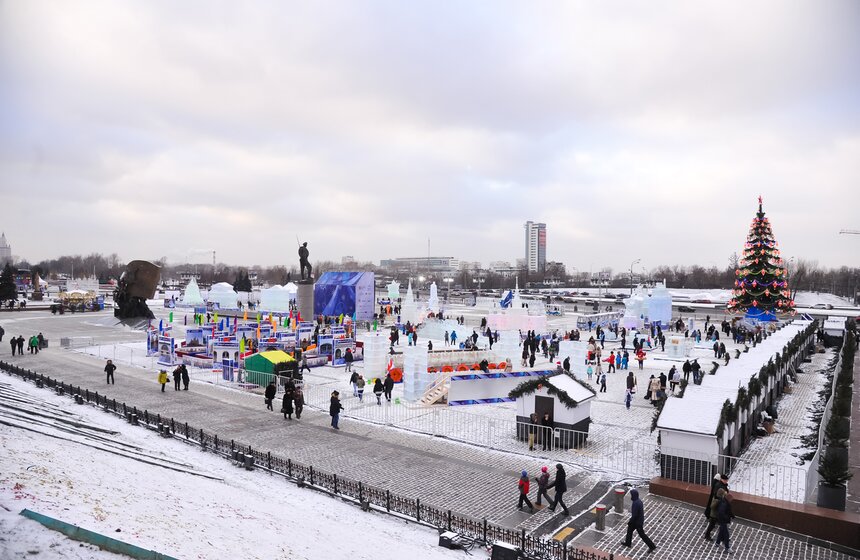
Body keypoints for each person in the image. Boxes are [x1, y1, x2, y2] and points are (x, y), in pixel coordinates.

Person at [621, 488, 656, 552]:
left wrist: (630, 521)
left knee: (642, 535)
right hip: (638, 520)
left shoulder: (636, 503)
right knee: (629, 530)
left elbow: (634, 515)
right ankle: (628, 543)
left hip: (637, 522)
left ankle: (652, 546)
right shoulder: (638, 501)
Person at [703, 473, 729, 540]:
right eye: (725, 480)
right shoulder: (719, 486)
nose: (727, 481)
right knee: (713, 523)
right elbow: (718, 495)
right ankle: (707, 535)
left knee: (721, 524)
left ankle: (723, 537)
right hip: (717, 507)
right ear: (722, 479)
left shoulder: (722, 485)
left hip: (719, 507)